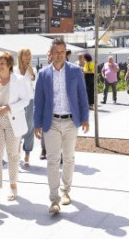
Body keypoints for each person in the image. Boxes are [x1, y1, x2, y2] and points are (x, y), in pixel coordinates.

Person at [33, 39, 90, 215]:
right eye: (56, 51)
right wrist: (37, 123)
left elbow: (82, 96)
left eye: (62, 51)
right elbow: (39, 100)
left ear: (65, 53)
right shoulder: (43, 74)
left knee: (69, 158)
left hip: (71, 121)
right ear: (50, 53)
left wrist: (85, 118)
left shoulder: (75, 71)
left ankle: (66, 191)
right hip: (52, 122)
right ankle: (54, 199)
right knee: (52, 160)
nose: (59, 55)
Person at [0, 52, 30, 207]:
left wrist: (10, 107)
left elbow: (26, 100)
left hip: (12, 121)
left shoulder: (19, 80)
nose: (0, 66)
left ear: (9, 64)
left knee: (12, 155)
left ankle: (13, 185)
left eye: (3, 63)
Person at [16, 48, 36, 167]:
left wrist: (32, 73)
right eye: (25, 55)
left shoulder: (33, 70)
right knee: (17, 127)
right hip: (17, 102)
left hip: (29, 100)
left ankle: (27, 154)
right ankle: (16, 152)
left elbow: (35, 84)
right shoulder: (14, 69)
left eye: (29, 55)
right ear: (20, 56)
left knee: (29, 127)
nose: (27, 58)